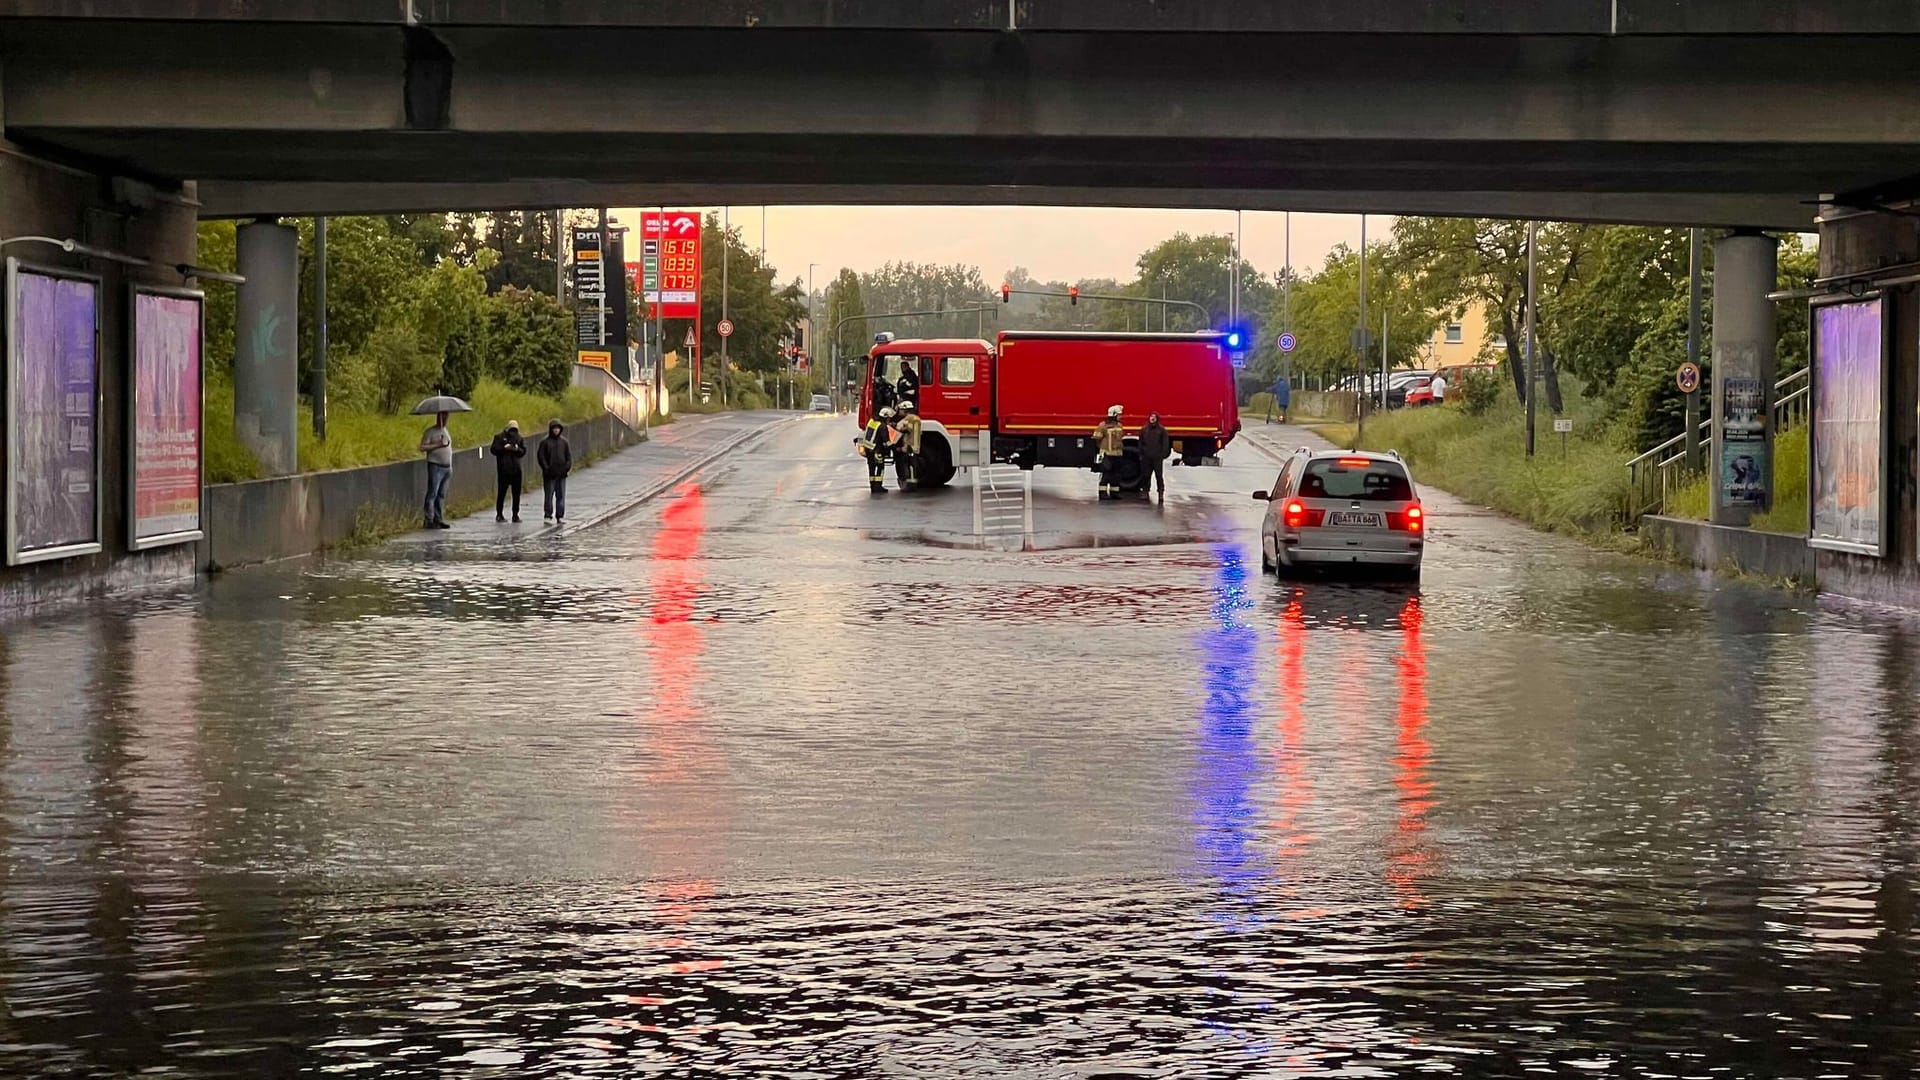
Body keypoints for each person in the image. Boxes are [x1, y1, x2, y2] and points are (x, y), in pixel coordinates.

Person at [418, 410, 454, 529]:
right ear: (438, 417)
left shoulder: (446, 431)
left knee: (441, 494)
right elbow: (422, 447)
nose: (444, 419)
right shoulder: (430, 432)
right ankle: (429, 519)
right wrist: (438, 444)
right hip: (436, 465)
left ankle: (438, 518)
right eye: (442, 416)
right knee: (432, 492)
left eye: (446, 416)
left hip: (447, 467)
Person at [490, 420, 527, 522]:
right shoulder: (499, 437)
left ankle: (515, 514)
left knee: (516, 494)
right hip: (503, 470)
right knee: (501, 493)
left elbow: (523, 451)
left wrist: (516, 449)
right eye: (511, 429)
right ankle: (499, 514)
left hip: (516, 470)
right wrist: (504, 448)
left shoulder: (519, 438)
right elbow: (493, 449)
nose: (513, 432)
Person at [537, 418, 573, 522]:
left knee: (560, 496)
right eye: (554, 428)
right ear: (551, 429)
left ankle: (559, 515)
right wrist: (546, 469)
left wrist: (566, 468)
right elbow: (541, 457)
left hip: (561, 474)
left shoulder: (564, 442)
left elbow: (568, 457)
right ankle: (548, 515)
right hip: (549, 474)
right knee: (549, 495)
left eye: (558, 428)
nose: (556, 430)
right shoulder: (545, 442)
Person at [1092, 404, 1127, 501]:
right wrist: (1102, 449)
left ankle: (1114, 493)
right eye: (1119, 415)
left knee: (1116, 475)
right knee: (1106, 474)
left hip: (1117, 454)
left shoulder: (1120, 426)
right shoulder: (1103, 425)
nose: (1121, 417)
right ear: (1114, 415)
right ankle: (1102, 493)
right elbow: (1097, 438)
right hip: (1107, 454)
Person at [859, 406, 898, 494]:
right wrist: (894, 446)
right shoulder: (883, 427)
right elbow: (886, 442)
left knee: (871, 469)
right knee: (880, 468)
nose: (889, 420)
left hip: (869, 449)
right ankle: (878, 486)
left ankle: (873, 486)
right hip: (877, 451)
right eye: (889, 418)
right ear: (886, 417)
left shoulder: (872, 421)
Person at [1139, 411, 1172, 502]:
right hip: (1147, 457)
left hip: (1157, 458)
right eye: (1151, 417)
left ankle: (1160, 493)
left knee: (1159, 476)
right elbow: (1140, 443)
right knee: (1146, 475)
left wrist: (1162, 455)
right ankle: (1145, 491)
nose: (1152, 418)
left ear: (1157, 419)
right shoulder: (1144, 429)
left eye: (1154, 417)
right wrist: (1141, 454)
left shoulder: (1162, 430)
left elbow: (1165, 444)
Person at [895, 401, 923, 491]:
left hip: (909, 446)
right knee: (914, 464)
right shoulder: (917, 418)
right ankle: (913, 482)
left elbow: (901, 428)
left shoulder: (908, 418)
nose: (899, 412)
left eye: (901, 410)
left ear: (905, 410)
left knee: (908, 464)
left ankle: (910, 484)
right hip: (916, 445)